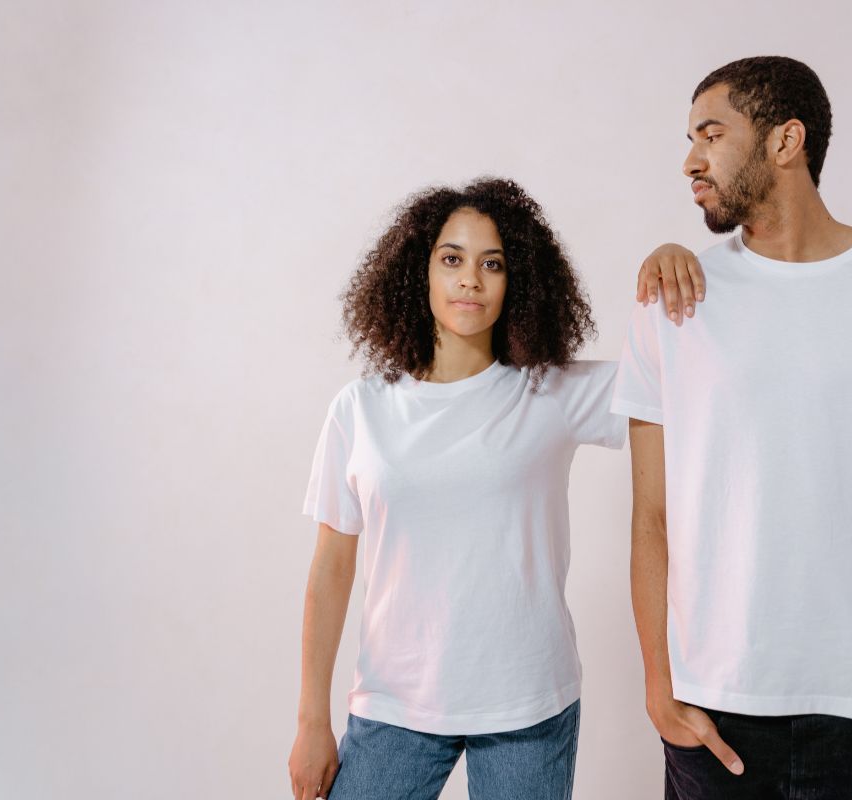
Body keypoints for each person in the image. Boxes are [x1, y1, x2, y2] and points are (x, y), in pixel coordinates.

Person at [616, 56, 852, 799]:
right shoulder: (671, 298)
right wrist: (660, 690)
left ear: (785, 140)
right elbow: (651, 515)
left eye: (711, 134)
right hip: (713, 712)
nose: (691, 161)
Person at [288, 177, 701, 800]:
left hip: (528, 707)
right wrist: (312, 722)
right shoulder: (361, 409)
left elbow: (693, 382)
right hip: (394, 706)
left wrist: (673, 265)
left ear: (519, 282)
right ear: (416, 272)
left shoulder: (552, 393)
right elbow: (330, 568)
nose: (470, 281)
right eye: (451, 259)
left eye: (492, 264)